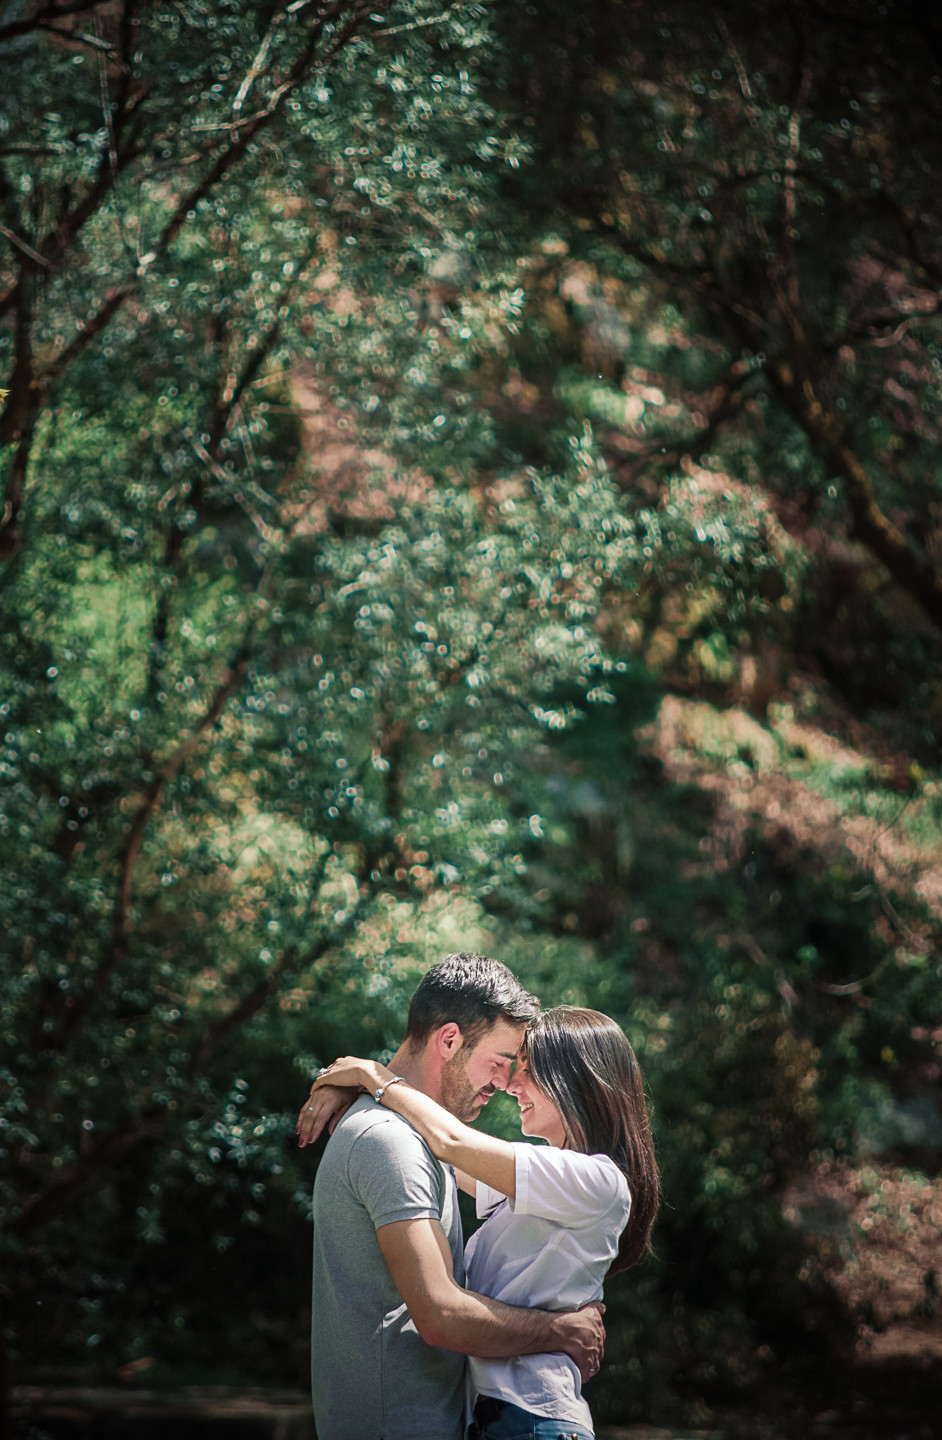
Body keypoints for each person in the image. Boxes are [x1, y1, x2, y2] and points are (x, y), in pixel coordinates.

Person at [303, 1002, 659, 1440]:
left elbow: (449, 1140)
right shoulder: (550, 1177)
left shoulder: (597, 1181)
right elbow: (430, 1150)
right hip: (497, 1421)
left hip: (534, 1420)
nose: (512, 1085)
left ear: (575, 1080)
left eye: (529, 1070)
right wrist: (348, 1090)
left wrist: (372, 1076)